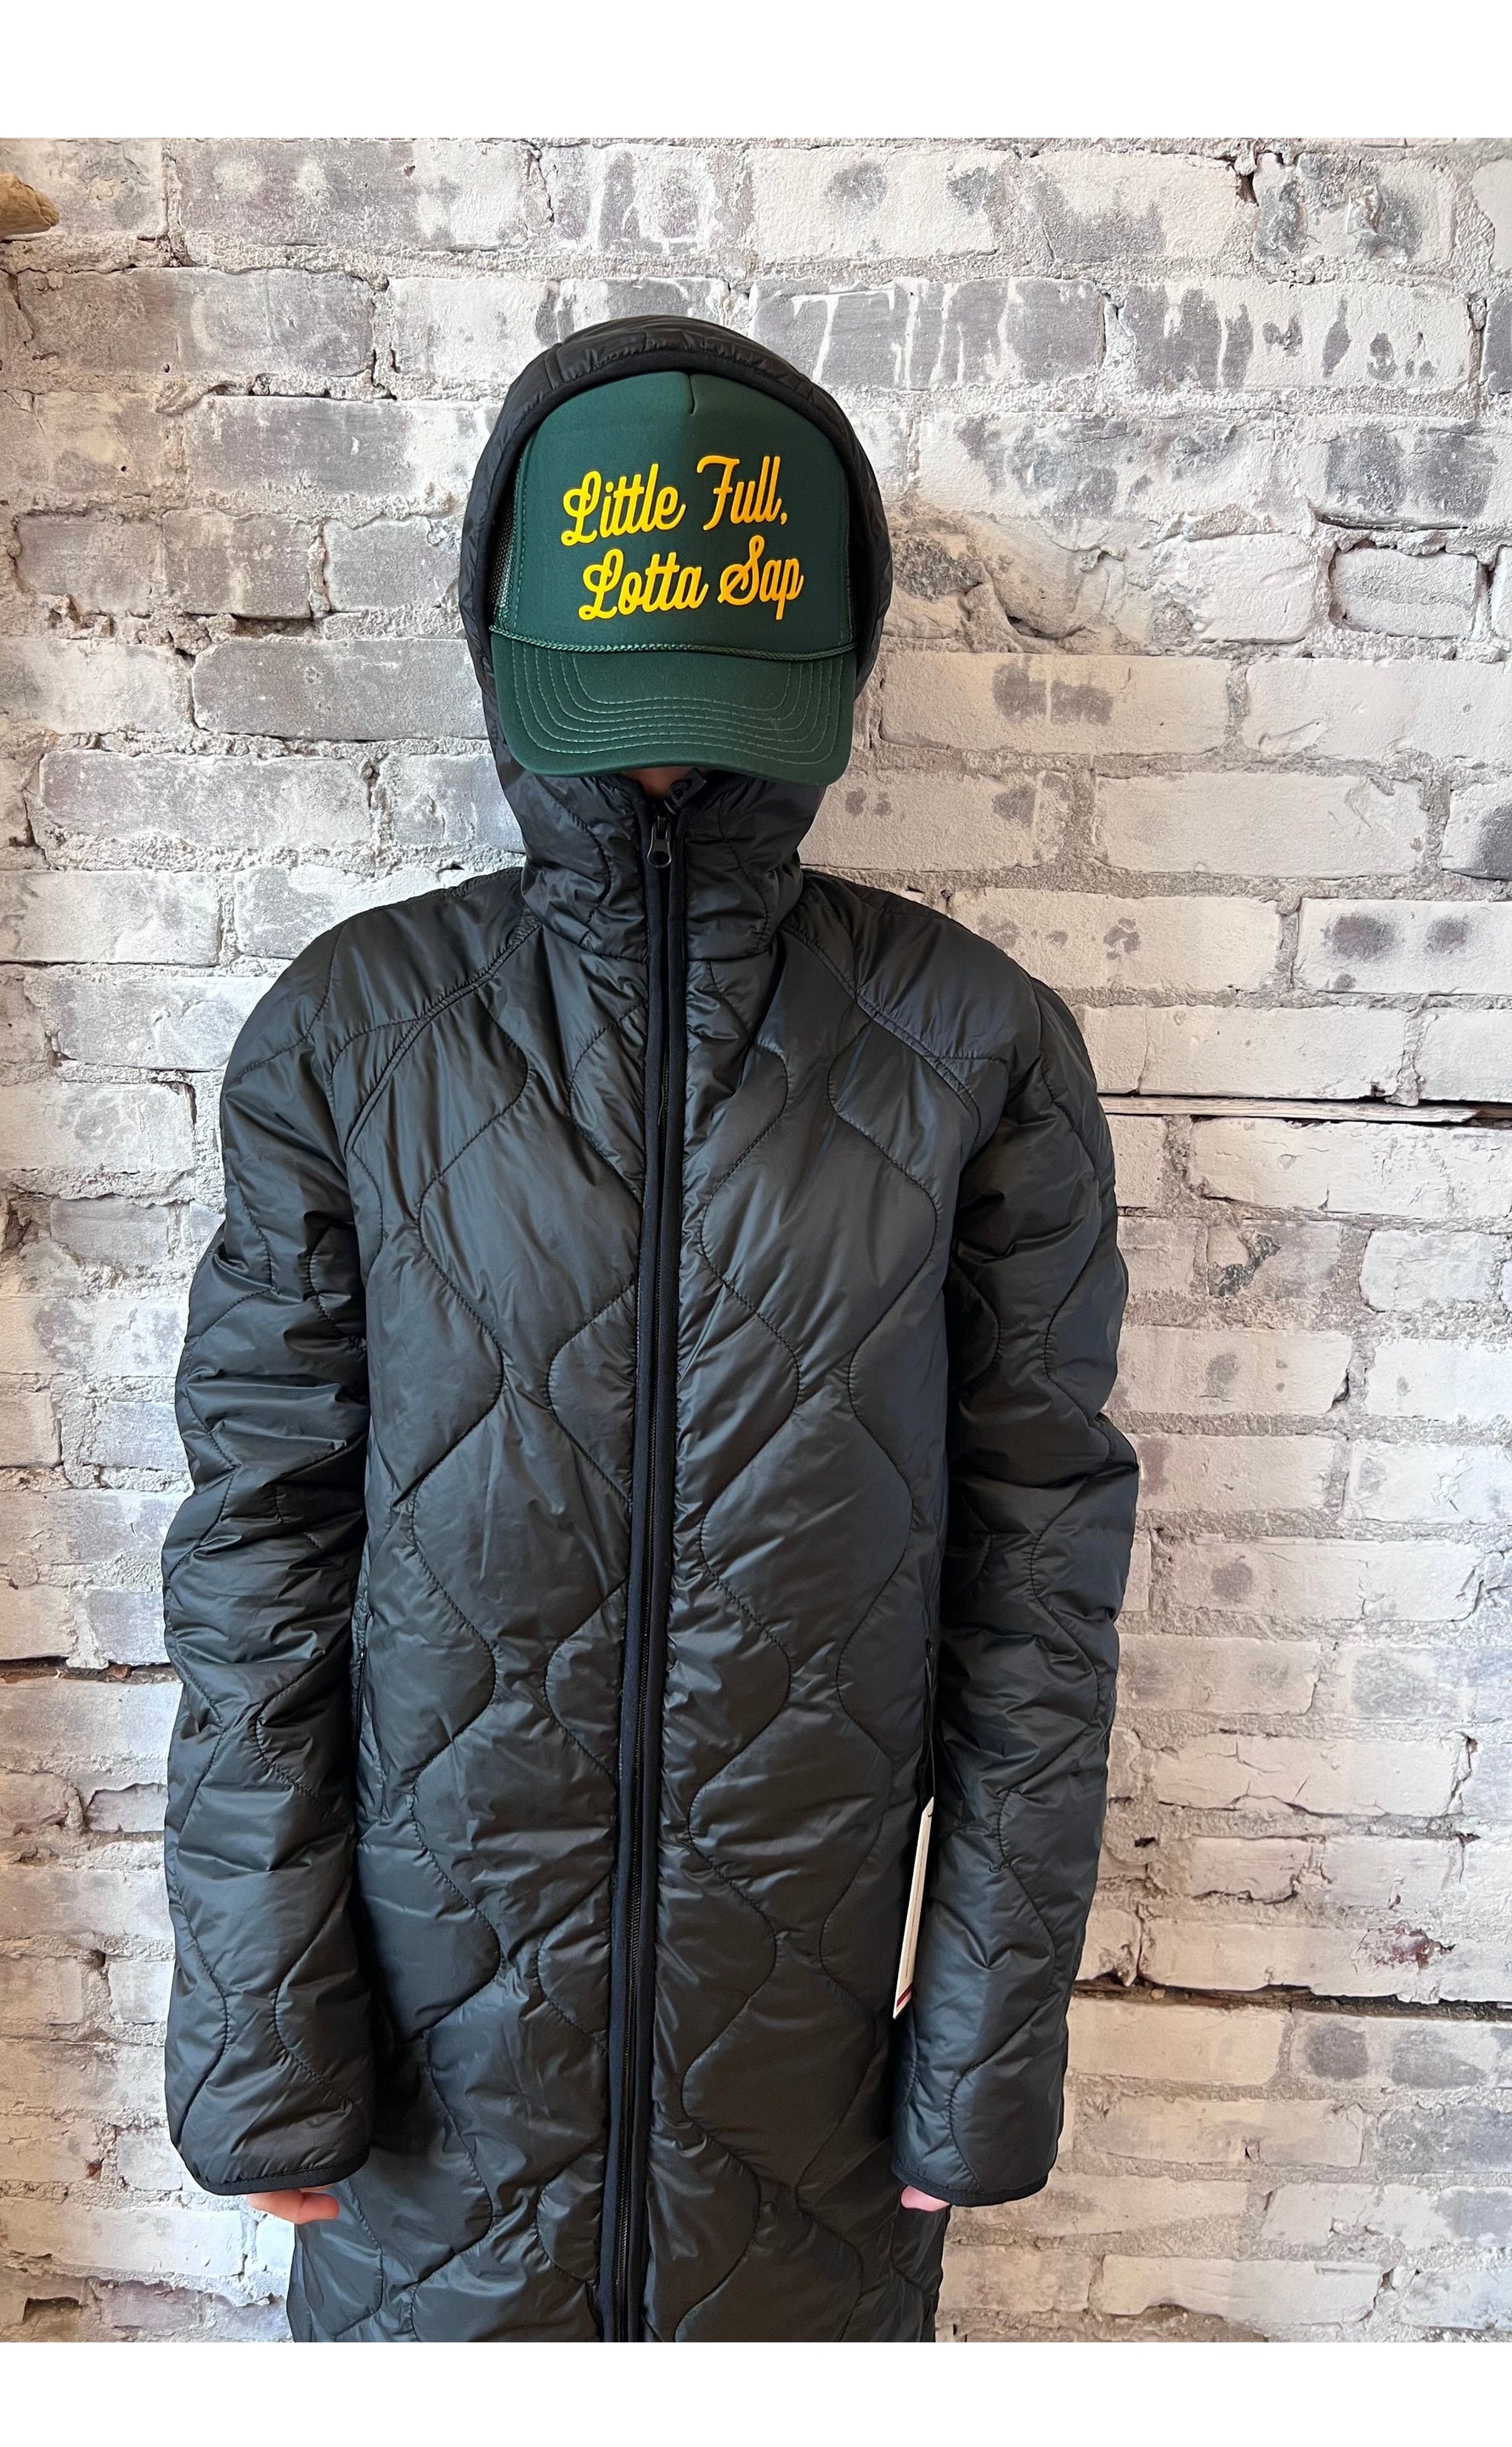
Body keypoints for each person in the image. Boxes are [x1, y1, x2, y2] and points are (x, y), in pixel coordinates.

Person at [161, 317, 1137, 2342]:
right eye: (613, 700)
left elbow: (1039, 1584)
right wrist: (263, 2050)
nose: (662, 764)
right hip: (426, 2090)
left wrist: (981, 2054)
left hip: (806, 2093)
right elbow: (258, 1557)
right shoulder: (355, 1037)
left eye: (721, 706)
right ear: (502, 646)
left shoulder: (972, 1049)